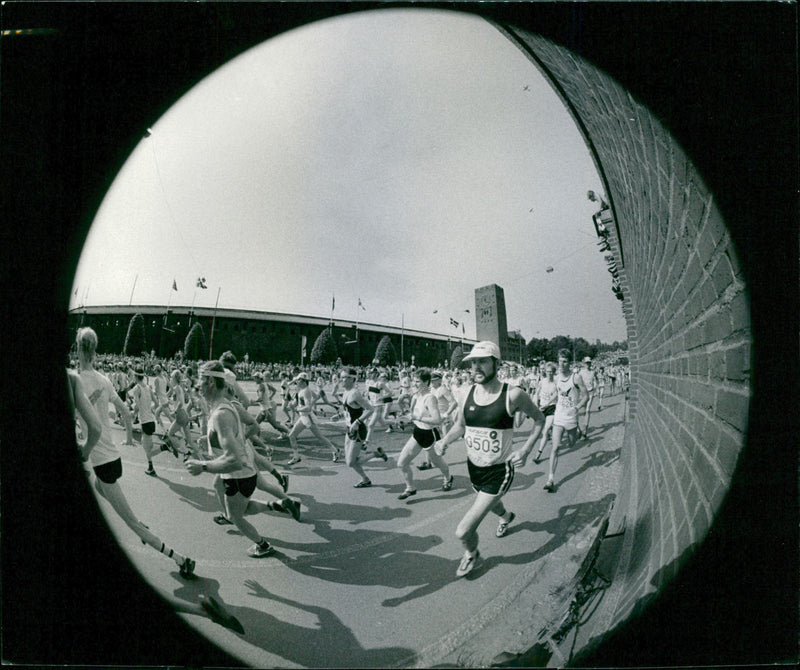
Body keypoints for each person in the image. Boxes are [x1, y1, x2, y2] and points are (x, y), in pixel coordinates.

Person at [74, 327, 196, 577]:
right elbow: (126, 413)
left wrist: (85, 446)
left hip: (103, 461)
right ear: (95, 350)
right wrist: (129, 437)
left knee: (130, 522)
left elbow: (90, 422)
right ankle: (138, 524)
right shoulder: (104, 379)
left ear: (78, 348)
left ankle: (180, 559)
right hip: (112, 458)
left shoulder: (75, 381)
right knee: (99, 489)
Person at [435, 341, 545, 578]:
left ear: (497, 363)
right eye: (473, 362)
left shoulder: (513, 394)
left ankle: (472, 554)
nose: (475, 367)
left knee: (463, 531)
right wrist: (445, 441)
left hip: (499, 471)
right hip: (474, 468)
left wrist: (525, 450)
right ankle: (507, 517)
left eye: (482, 361)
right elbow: (460, 426)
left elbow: (539, 419)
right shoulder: (466, 393)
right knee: (491, 503)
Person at [184, 360, 276, 558]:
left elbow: (233, 460)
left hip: (237, 475)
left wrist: (203, 466)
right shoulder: (225, 405)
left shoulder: (220, 414)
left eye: (200, 380)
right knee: (239, 509)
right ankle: (275, 505)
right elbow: (250, 427)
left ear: (209, 382)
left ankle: (263, 545)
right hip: (240, 474)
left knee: (236, 518)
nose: (196, 385)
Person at [396, 368, 453, 500]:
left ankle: (448, 478)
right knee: (402, 463)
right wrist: (403, 408)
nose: (414, 384)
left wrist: (417, 417)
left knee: (437, 462)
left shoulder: (430, 398)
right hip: (417, 433)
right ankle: (410, 488)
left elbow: (437, 420)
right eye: (414, 381)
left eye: (417, 382)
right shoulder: (416, 396)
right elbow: (411, 415)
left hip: (429, 434)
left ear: (426, 382)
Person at [544, 349, 588, 492]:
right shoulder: (556, 378)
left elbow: (585, 396)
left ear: (570, 363)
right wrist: (546, 403)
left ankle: (578, 432)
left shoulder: (576, 378)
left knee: (571, 444)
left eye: (565, 361)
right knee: (555, 448)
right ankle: (550, 479)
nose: (561, 364)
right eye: (560, 361)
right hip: (559, 416)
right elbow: (557, 394)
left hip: (571, 418)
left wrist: (577, 407)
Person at [338, 366, 387, 488]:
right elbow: (348, 410)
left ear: (352, 379)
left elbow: (370, 409)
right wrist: (338, 415)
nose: (341, 379)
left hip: (358, 430)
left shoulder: (355, 393)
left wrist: (357, 422)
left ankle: (376, 454)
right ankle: (365, 479)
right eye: (341, 377)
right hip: (349, 429)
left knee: (350, 462)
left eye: (344, 377)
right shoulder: (345, 392)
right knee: (350, 460)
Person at [286, 372, 341, 465]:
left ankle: (335, 450)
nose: (297, 381)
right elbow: (311, 398)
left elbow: (307, 407)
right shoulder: (302, 390)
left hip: (308, 417)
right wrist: (293, 404)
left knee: (319, 436)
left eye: (298, 380)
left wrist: (297, 408)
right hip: (303, 416)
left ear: (303, 381)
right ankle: (296, 456)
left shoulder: (306, 391)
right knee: (291, 436)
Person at [418, 370, 457, 471]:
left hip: (444, 419)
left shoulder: (443, 389)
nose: (432, 382)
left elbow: (454, 403)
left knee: (443, 443)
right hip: (434, 419)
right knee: (429, 440)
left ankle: (438, 463)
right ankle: (428, 462)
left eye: (435, 380)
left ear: (439, 380)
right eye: (432, 380)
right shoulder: (431, 390)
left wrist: (446, 414)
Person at [128, 366, 163, 476]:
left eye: (134, 375)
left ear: (136, 377)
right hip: (150, 421)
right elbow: (157, 403)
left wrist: (133, 414)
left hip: (145, 422)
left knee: (148, 451)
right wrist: (149, 408)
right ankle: (150, 466)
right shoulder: (148, 387)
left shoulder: (136, 389)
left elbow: (137, 406)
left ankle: (164, 448)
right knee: (146, 445)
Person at [532, 362, 558, 463]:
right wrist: (536, 403)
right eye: (547, 372)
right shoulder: (542, 381)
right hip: (542, 408)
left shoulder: (556, 383)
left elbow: (555, 396)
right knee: (537, 430)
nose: (549, 374)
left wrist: (547, 404)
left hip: (551, 408)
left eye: (551, 372)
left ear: (554, 372)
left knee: (545, 430)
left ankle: (538, 454)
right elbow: (536, 393)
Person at [577, 357, 599, 437]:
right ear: (584, 364)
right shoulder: (581, 372)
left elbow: (596, 380)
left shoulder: (593, 372)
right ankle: (578, 428)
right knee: (580, 412)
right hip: (583, 394)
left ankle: (585, 430)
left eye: (589, 363)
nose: (588, 364)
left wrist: (596, 389)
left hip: (590, 392)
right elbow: (576, 381)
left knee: (587, 410)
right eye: (586, 363)